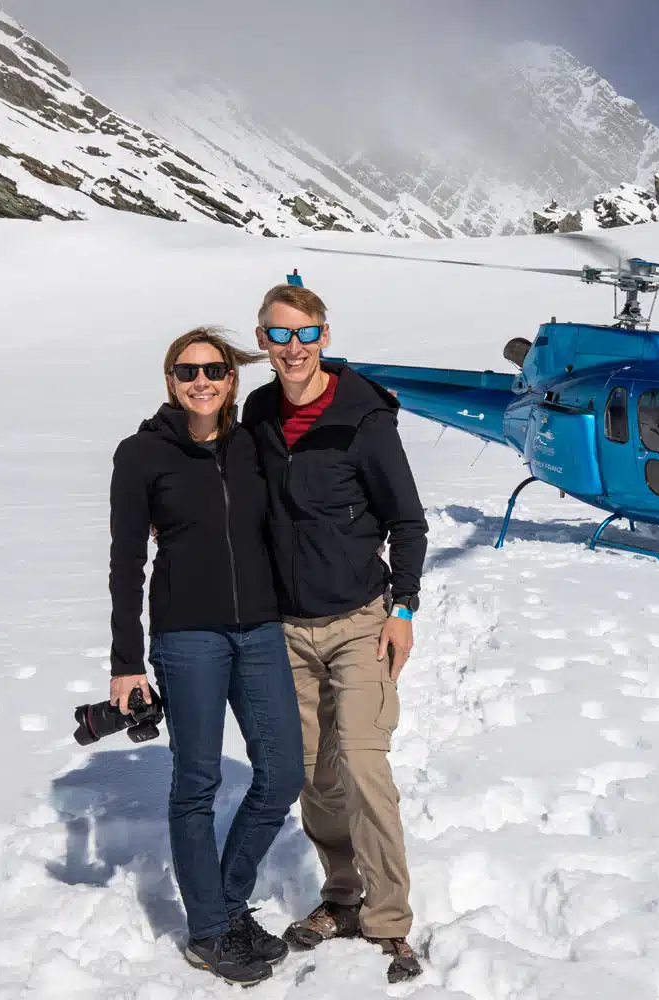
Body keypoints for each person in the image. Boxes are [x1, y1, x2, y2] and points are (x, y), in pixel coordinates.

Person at [241, 283, 428, 984]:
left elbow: (407, 522)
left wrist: (402, 610)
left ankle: (389, 920)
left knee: (362, 759)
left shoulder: (363, 418)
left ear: (325, 335)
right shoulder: (257, 413)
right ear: (261, 341)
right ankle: (340, 895)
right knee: (313, 772)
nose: (293, 349)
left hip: (358, 621)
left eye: (305, 334)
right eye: (278, 335)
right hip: (284, 627)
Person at [108, 327, 304, 987]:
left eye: (214, 370)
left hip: (260, 632)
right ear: (170, 380)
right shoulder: (141, 455)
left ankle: (224, 900)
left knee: (282, 775)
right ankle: (208, 932)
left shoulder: (252, 445)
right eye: (187, 371)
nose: (201, 381)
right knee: (196, 785)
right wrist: (126, 661)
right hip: (186, 637)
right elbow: (126, 562)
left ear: (230, 380)